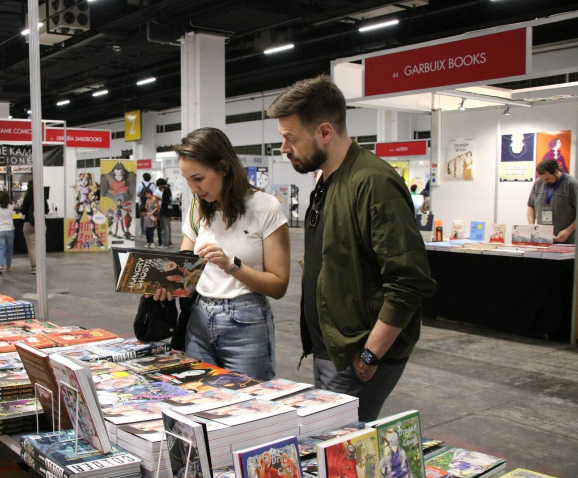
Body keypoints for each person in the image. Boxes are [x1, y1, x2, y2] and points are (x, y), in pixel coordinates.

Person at [266, 75, 435, 421]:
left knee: (344, 451)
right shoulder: (328, 181)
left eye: (290, 138)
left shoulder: (374, 183)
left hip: (357, 354)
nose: (284, 148)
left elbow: (408, 282)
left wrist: (371, 354)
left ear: (324, 132)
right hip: (332, 347)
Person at [154, 127, 290, 381]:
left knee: (250, 404)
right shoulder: (198, 208)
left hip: (245, 324)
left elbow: (279, 285)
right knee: (200, 403)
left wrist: (231, 265)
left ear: (224, 167)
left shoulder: (266, 207)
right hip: (198, 321)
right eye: (187, 180)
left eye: (199, 178)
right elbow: (186, 265)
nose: (194, 189)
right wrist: (167, 283)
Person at [527, 158, 577, 244]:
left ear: (556, 171)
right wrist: (532, 226)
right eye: (542, 179)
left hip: (567, 240)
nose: (545, 182)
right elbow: (531, 206)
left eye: (547, 179)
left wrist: (568, 231)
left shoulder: (571, 184)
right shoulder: (538, 183)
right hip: (543, 239)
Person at [20, 182, 48, 274]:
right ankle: (41, 265)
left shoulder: (28, 196)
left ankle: (35, 267)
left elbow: (23, 211)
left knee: (32, 247)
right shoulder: (41, 196)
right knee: (41, 246)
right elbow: (47, 210)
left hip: (29, 223)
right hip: (40, 223)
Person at [0, 191, 15, 274]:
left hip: (0, 230)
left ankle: (0, 266)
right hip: (10, 229)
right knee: (9, 249)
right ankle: (8, 266)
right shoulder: (11, 206)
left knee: (0, 248)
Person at [157, 178, 173, 247]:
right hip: (168, 210)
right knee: (168, 226)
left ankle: (164, 243)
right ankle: (169, 242)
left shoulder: (165, 190)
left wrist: (159, 198)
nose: (159, 187)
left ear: (161, 184)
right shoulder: (168, 189)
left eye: (159, 186)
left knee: (164, 227)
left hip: (164, 210)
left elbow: (165, 201)